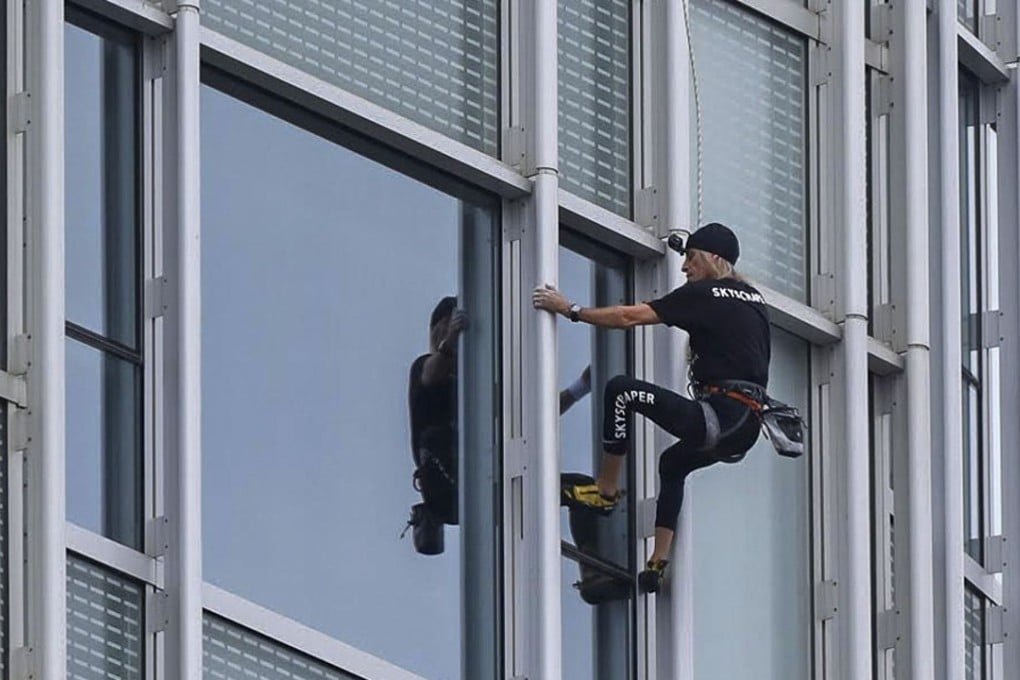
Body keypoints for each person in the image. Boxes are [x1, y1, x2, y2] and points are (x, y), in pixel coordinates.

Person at [532, 222, 771, 593]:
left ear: (714, 259)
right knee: (672, 464)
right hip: (745, 426)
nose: (684, 268)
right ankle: (657, 563)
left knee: (621, 391)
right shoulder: (752, 299)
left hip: (721, 415)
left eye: (691, 258)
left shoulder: (706, 293)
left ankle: (604, 491)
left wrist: (570, 309)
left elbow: (629, 317)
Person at [407, 296, 592, 554]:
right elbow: (431, 373)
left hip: (488, 481)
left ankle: (594, 568)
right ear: (439, 329)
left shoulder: (481, 384)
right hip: (447, 486)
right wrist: (450, 343)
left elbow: (531, 415)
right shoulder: (426, 369)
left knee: (586, 488)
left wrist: (580, 387)